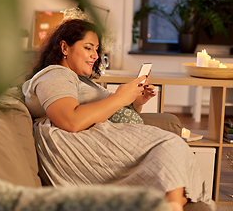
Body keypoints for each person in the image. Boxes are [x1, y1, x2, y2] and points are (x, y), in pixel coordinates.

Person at [22, 19, 216, 211]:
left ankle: (170, 205)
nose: (95, 56)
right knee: (171, 146)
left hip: (94, 135)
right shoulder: (55, 75)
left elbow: (106, 111)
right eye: (88, 48)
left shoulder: (78, 80)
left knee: (175, 158)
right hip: (74, 144)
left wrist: (136, 102)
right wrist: (120, 98)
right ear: (64, 47)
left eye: (96, 49)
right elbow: (70, 120)